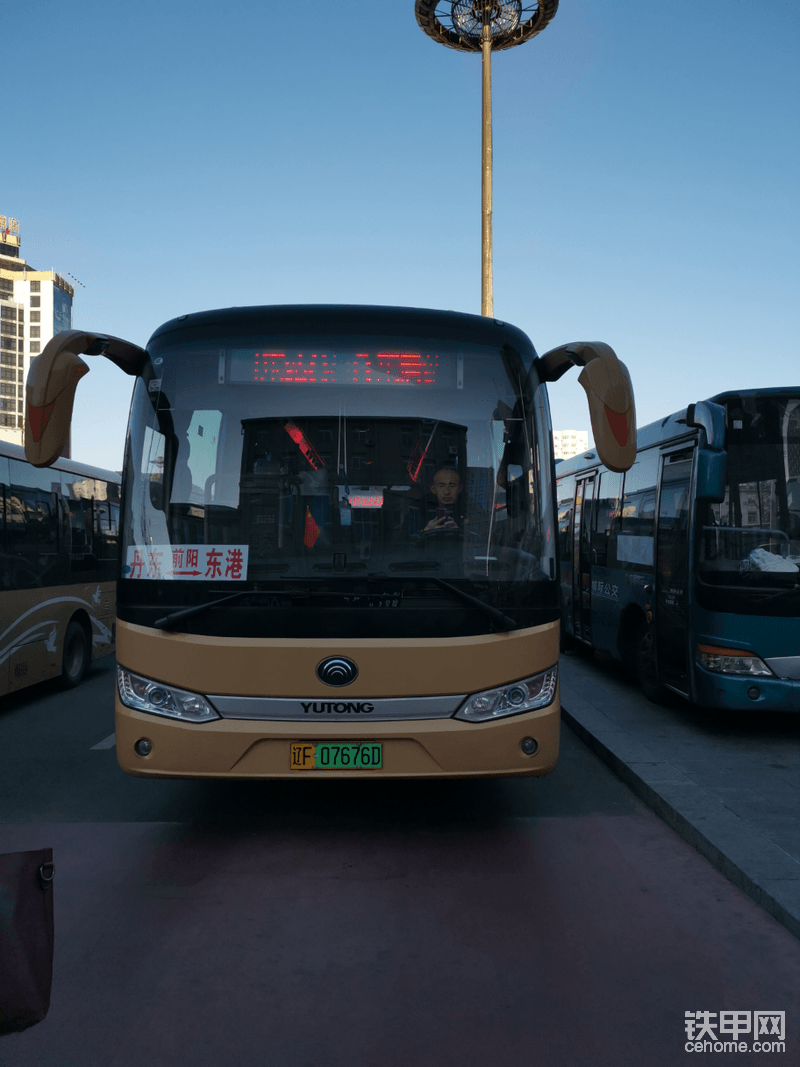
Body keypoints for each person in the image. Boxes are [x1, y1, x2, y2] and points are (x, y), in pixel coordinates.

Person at [423, 467, 463, 533]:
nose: (447, 492)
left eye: (452, 486)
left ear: (460, 488)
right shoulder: (418, 508)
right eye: (441, 486)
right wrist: (425, 532)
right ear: (433, 489)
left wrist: (459, 533)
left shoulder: (471, 510)